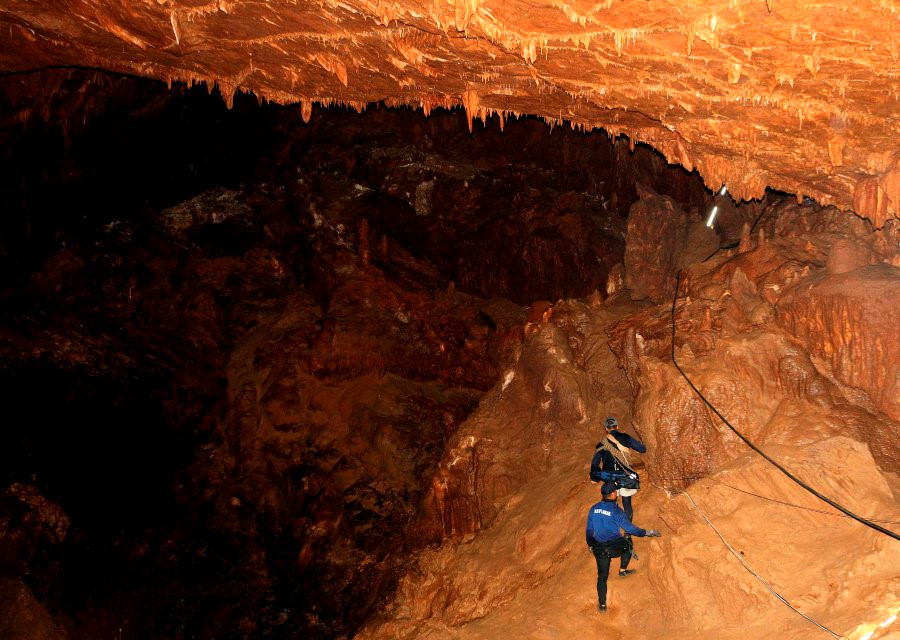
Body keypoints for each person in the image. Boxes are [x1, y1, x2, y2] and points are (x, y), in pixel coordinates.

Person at [586, 483, 661, 613]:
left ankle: (602, 605)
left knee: (602, 577)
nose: (617, 493)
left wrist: (591, 545)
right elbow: (630, 529)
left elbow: (589, 530)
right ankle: (622, 571)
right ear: (613, 494)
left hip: (600, 549)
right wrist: (647, 532)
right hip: (614, 546)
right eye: (616, 491)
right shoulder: (616, 511)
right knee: (628, 543)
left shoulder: (593, 509)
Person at [589, 417, 646, 520]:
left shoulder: (601, 443)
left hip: (609, 476)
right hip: (625, 476)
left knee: (610, 503)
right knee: (626, 503)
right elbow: (642, 449)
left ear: (606, 429)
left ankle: (610, 526)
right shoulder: (625, 437)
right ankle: (627, 529)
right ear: (617, 427)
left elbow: (595, 463)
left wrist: (594, 478)